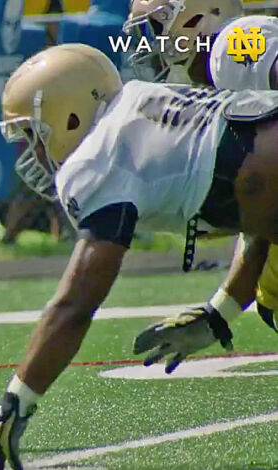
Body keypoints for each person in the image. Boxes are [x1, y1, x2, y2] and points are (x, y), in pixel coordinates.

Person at [0, 43, 278, 470]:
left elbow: (76, 305)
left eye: (32, 135)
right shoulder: (142, 101)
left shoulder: (97, 159)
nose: (31, 153)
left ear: (69, 118)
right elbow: (261, 206)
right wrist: (220, 313)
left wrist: (15, 401)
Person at [123, 3, 278, 369]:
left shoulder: (232, 43)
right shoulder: (224, 78)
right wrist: (219, 313)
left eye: (157, 29)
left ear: (195, 16)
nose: (153, 44)